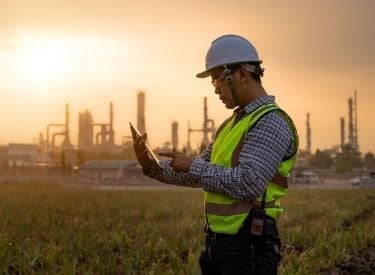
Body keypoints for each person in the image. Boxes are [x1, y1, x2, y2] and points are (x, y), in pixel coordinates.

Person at [133, 34, 299, 274]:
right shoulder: (230, 125)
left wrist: (194, 166)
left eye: (217, 81)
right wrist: (153, 167)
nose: (216, 90)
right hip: (219, 245)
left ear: (241, 74)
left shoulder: (270, 122)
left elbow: (248, 183)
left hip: (250, 246)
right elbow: (197, 174)